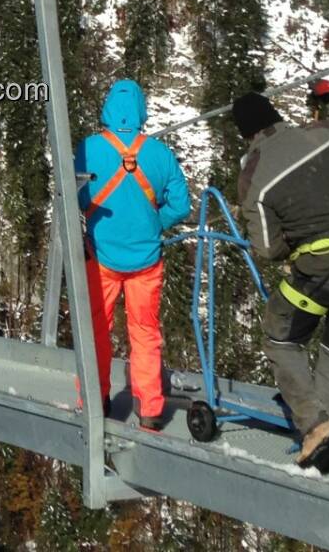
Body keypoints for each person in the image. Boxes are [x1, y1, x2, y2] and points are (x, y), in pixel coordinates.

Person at [232, 78, 329, 473]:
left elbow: (267, 248)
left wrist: (295, 242)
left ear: (245, 134)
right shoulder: (319, 133)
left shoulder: (254, 176)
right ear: (278, 116)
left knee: (281, 337)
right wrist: (328, 97)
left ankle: (315, 425)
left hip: (322, 269)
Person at [75, 79, 191, 431]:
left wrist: (96, 214)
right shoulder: (160, 153)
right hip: (146, 261)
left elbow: (74, 195)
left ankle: (95, 400)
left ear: (107, 110)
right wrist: (155, 222)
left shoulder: (87, 148)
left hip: (102, 259)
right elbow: (181, 206)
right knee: (144, 332)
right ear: (141, 111)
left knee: (96, 330)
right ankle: (151, 408)